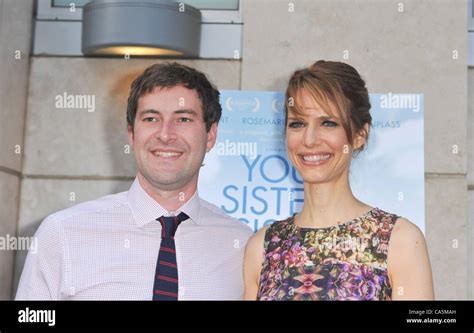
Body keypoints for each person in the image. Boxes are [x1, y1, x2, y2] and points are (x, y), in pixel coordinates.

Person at [16, 62, 253, 300]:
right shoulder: (63, 233)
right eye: (151, 119)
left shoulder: (241, 245)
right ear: (132, 133)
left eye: (183, 119)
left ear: (210, 135)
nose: (165, 134)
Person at [243, 60, 434, 300]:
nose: (310, 139)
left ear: (359, 135)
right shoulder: (262, 247)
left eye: (328, 123)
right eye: (298, 123)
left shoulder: (400, 241)